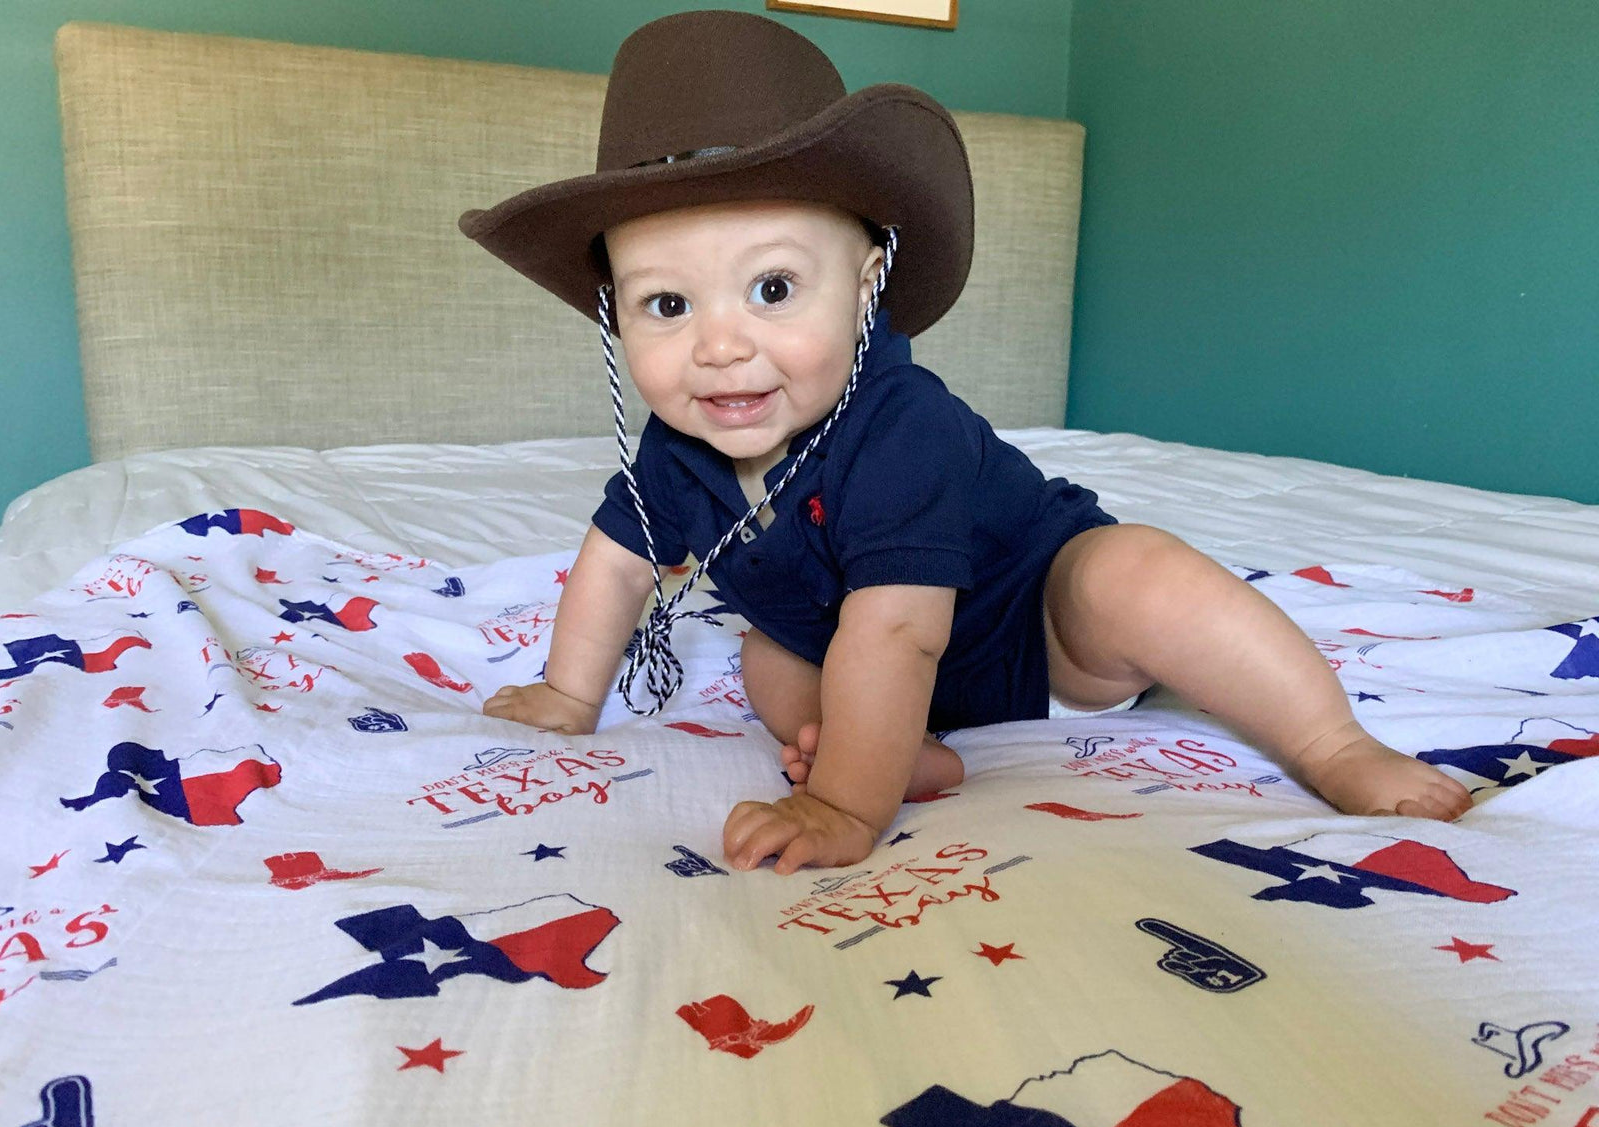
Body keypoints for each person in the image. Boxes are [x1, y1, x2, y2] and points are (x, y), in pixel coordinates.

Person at [458, 10, 1471, 876]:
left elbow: (900, 631)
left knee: (1136, 574)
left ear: (865, 287)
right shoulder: (679, 453)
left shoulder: (904, 428)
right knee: (770, 660)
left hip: (1032, 632)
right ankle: (909, 749)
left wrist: (844, 809)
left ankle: (1333, 743)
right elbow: (615, 565)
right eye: (666, 304)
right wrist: (565, 692)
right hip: (865, 657)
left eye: (772, 288)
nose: (720, 348)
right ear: (612, 317)